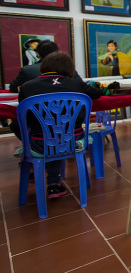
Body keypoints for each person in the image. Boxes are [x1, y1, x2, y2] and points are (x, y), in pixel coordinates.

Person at [10, 52, 103, 199]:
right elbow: (97, 93)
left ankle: (43, 175)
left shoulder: (27, 87)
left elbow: (24, 119)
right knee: (60, 135)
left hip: (41, 144)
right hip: (74, 140)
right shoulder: (75, 83)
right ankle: (53, 183)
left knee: (49, 135)